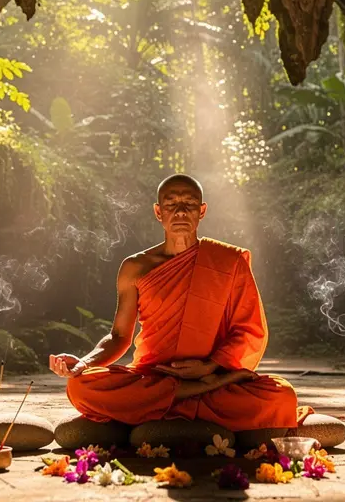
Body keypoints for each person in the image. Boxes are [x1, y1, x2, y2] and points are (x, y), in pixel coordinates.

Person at [48, 174, 300, 431]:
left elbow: (249, 330)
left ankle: (164, 403)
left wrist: (209, 368)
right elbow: (119, 336)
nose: (180, 212)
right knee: (80, 386)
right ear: (159, 212)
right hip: (153, 376)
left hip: (212, 374)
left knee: (282, 394)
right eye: (171, 205)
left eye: (189, 204)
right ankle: (194, 394)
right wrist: (84, 363)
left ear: (202, 211)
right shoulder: (135, 267)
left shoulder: (228, 261)